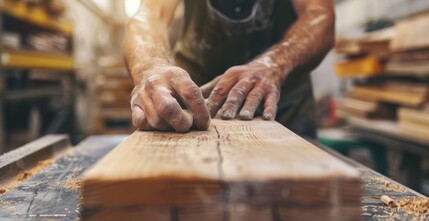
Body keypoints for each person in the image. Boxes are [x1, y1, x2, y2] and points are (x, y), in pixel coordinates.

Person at [124, 0, 334, 139]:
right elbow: (149, 15)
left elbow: (320, 15)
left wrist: (275, 64)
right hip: (196, 99)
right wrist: (151, 67)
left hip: (283, 101)